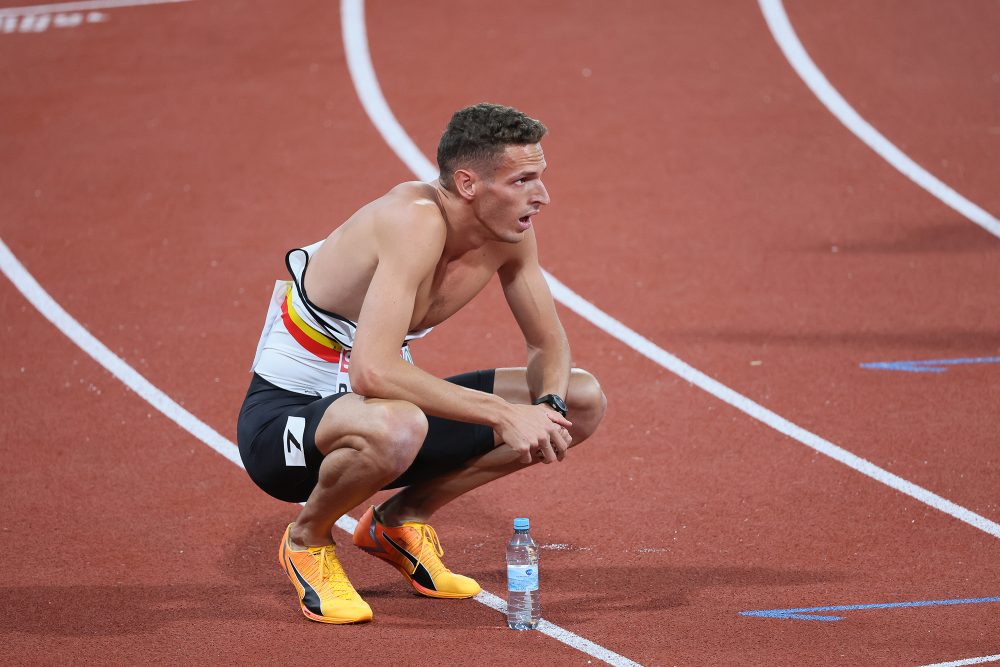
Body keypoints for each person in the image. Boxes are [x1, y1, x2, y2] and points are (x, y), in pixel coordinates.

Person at [236, 103, 606, 624]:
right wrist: (503, 415)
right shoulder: (412, 220)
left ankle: (399, 519)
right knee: (397, 421)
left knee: (582, 399)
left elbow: (548, 347)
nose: (542, 196)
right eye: (524, 180)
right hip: (286, 427)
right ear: (468, 183)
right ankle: (307, 539)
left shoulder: (509, 235)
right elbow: (374, 373)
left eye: (540, 178)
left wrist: (545, 406)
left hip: (381, 419)